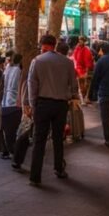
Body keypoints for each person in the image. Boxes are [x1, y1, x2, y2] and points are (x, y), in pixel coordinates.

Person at [25, 34, 76, 186]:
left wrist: (33, 105)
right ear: (54, 45)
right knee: (58, 138)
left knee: (39, 140)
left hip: (42, 104)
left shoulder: (37, 61)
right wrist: (71, 96)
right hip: (61, 105)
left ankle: (35, 177)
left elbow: (32, 84)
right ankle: (59, 168)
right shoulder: (67, 62)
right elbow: (73, 84)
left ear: (44, 45)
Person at [1, 53, 23, 162]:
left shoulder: (8, 68)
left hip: (4, 103)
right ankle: (14, 154)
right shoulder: (19, 71)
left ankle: (6, 151)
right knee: (13, 132)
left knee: (7, 132)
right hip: (14, 104)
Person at [72, 36, 93, 104]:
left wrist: (86, 71)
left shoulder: (86, 50)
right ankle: (83, 98)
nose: (80, 41)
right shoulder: (77, 48)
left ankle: (84, 98)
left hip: (83, 70)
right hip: (78, 69)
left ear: (84, 41)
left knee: (84, 85)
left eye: (81, 40)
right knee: (81, 85)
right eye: (79, 40)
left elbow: (87, 61)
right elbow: (74, 57)